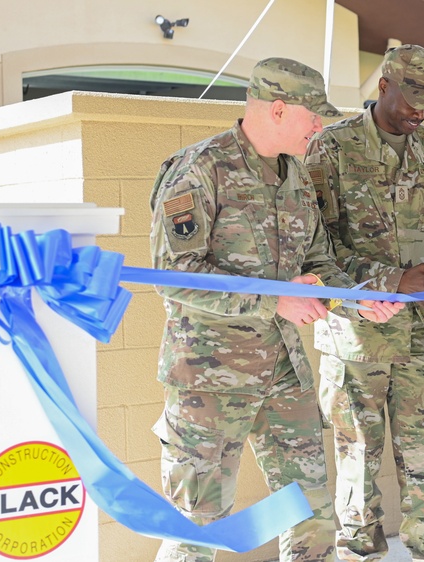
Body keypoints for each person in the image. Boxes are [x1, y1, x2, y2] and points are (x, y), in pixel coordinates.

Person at [148, 57, 403, 562]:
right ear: (280, 110)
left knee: (310, 513)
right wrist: (275, 297)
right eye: (314, 115)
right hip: (209, 379)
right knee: (197, 527)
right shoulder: (200, 169)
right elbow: (172, 277)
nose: (320, 126)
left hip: (282, 372)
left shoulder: (297, 177)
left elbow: (317, 264)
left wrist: (357, 301)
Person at [304, 44, 424, 562]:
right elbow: (316, 250)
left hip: (423, 342)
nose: (419, 112)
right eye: (412, 98)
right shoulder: (332, 148)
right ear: (383, 85)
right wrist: (393, 279)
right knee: (357, 469)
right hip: (356, 340)